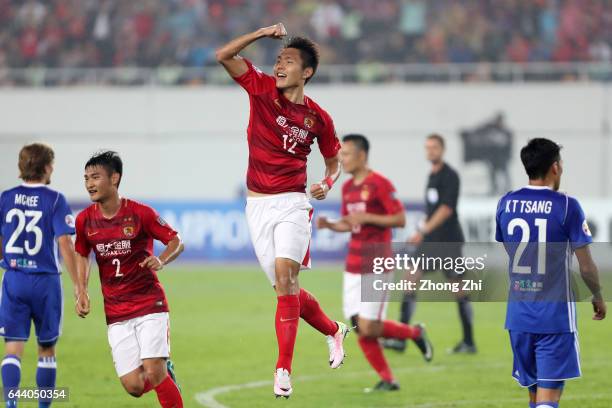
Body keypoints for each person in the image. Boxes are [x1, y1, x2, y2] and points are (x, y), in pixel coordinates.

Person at [216, 22, 349, 398]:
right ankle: (334, 330)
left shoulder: (318, 118)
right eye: (278, 59)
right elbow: (223, 55)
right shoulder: (259, 88)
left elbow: (333, 160)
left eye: (288, 61)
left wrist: (328, 182)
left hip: (293, 203)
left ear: (306, 72)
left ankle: (283, 370)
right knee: (284, 290)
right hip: (257, 206)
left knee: (287, 280)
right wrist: (258, 33)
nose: (279, 65)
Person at [317, 134, 433, 392]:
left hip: (377, 261)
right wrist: (331, 225)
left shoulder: (380, 183)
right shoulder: (347, 188)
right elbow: (351, 223)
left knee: (369, 326)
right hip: (353, 263)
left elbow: (400, 219)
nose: (342, 159)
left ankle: (414, 333)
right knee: (361, 327)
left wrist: (368, 216)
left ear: (361, 155)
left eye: (346, 154)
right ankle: (388, 380)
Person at [495, 138, 606, 408]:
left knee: (534, 397)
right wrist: (598, 295)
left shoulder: (506, 203)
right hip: (554, 317)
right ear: (555, 167)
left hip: (519, 316)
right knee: (548, 400)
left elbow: (511, 249)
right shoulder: (566, 206)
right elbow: (587, 265)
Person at [74, 151, 184, 408]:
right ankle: (165, 371)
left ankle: (161, 372)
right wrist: (81, 290)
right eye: (86, 178)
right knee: (134, 386)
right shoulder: (84, 220)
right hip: (116, 311)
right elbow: (81, 253)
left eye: (96, 177)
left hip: (149, 304)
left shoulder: (141, 213)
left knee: (153, 370)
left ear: (114, 178)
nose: (90, 183)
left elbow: (176, 241)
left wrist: (162, 260)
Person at [0, 143, 79, 408]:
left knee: (13, 349)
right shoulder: (55, 199)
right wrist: (79, 285)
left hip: (14, 279)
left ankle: (11, 405)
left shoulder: (6, 197)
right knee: (46, 349)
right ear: (46, 167)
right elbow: (65, 244)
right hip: (46, 282)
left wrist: (5, 259)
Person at [385, 134, 475, 354]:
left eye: (434, 147)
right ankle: (402, 338)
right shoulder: (431, 176)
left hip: (449, 241)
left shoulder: (450, 176)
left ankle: (469, 342)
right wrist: (419, 231)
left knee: (458, 290)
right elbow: (432, 211)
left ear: (442, 149)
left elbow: (446, 209)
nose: (430, 151)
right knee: (409, 278)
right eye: (427, 148)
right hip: (431, 242)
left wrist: (422, 230)